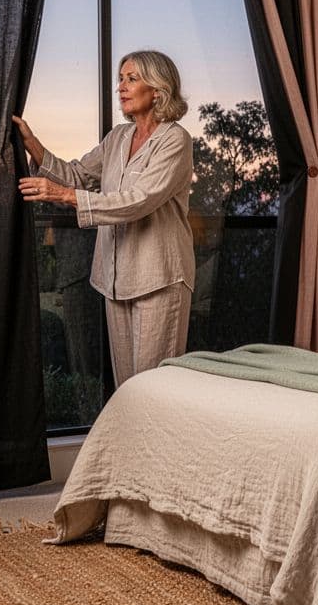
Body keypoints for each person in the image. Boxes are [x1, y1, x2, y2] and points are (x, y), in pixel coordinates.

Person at [15, 50, 195, 387]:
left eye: (131, 79)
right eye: (120, 79)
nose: (121, 87)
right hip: (115, 279)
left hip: (159, 279)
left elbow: (139, 201)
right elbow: (77, 175)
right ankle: (130, 443)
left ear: (157, 90)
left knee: (153, 391)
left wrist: (63, 196)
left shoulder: (175, 140)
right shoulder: (117, 139)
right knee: (128, 388)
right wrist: (31, 143)